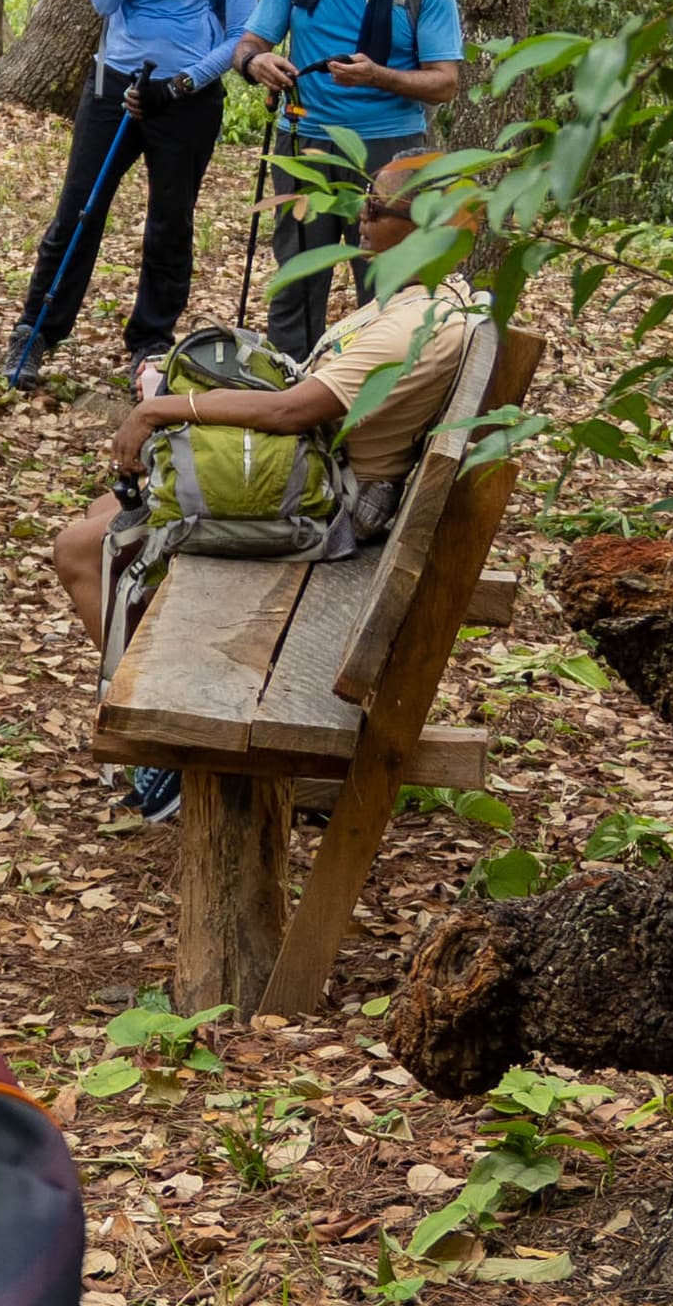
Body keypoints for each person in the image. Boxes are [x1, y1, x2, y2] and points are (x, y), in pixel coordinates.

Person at [44, 144, 481, 808]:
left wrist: (164, 408)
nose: (360, 220)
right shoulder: (415, 305)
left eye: (376, 209)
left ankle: (176, 747)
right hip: (318, 476)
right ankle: (167, 719)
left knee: (81, 548)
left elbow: (291, 409)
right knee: (95, 528)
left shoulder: (414, 326)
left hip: (329, 505)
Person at [1, 0, 263, 393]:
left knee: (170, 223)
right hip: (115, 83)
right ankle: (36, 329)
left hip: (187, 94)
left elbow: (240, 33)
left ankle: (151, 341)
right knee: (78, 210)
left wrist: (181, 85)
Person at [241, 0, 467, 358]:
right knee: (300, 273)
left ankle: (377, 390)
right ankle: (288, 387)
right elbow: (251, 43)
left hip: (391, 150)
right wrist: (257, 65)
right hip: (306, 140)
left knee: (387, 280)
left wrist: (377, 76)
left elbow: (445, 83)